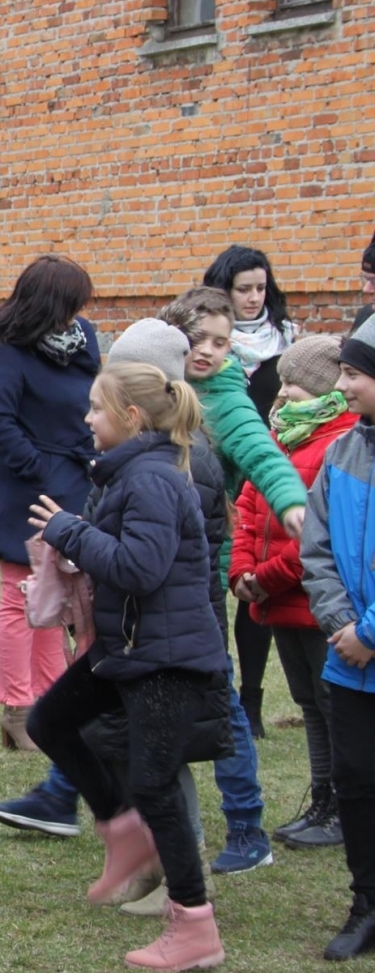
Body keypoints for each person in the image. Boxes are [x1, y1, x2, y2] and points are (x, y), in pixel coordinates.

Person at [26, 363, 230, 973]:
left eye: (96, 408)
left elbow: (141, 567)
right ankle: (122, 834)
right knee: (51, 722)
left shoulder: (153, 481)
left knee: (155, 785)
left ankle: (194, 927)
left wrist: (70, 531)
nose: (86, 418)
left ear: (132, 417)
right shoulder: (129, 474)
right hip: (130, 649)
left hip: (167, 658)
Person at [154, 286, 306, 874]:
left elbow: (266, 458)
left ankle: (247, 828)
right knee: (111, 680)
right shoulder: (152, 389)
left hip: (196, 578)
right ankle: (67, 791)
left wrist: (291, 501)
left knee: (218, 702)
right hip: (139, 569)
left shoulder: (225, 402)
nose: (212, 352)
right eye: (201, 340)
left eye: (223, 341)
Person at [231, 334, 353, 850]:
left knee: (333, 706)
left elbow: (320, 536)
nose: (280, 398)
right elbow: (248, 505)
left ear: (325, 391)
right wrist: (240, 569)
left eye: (293, 387)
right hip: (277, 601)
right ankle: (323, 798)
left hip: (316, 604)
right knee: (307, 702)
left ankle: (347, 806)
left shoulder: (339, 445)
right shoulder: (283, 438)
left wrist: (265, 578)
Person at [0, 255, 100, 750]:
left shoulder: (82, 339)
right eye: (70, 306)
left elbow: (91, 397)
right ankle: (17, 706)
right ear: (48, 305)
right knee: (18, 597)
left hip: (74, 480)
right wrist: (40, 469)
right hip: (26, 487)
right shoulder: (9, 349)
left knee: (56, 598)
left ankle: (51, 701)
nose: (77, 316)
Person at [301, 318, 375, 961]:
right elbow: (316, 547)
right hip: (347, 656)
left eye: (354, 372)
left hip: (366, 642)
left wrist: (371, 632)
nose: (343, 385)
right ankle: (365, 902)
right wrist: (342, 627)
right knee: (354, 779)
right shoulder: (344, 451)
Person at [204, 246, 297, 740]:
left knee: (254, 587)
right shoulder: (207, 349)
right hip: (220, 479)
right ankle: (220, 698)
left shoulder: (285, 339)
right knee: (217, 584)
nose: (254, 298)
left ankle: (252, 700)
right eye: (243, 289)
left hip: (264, 473)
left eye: (261, 287)